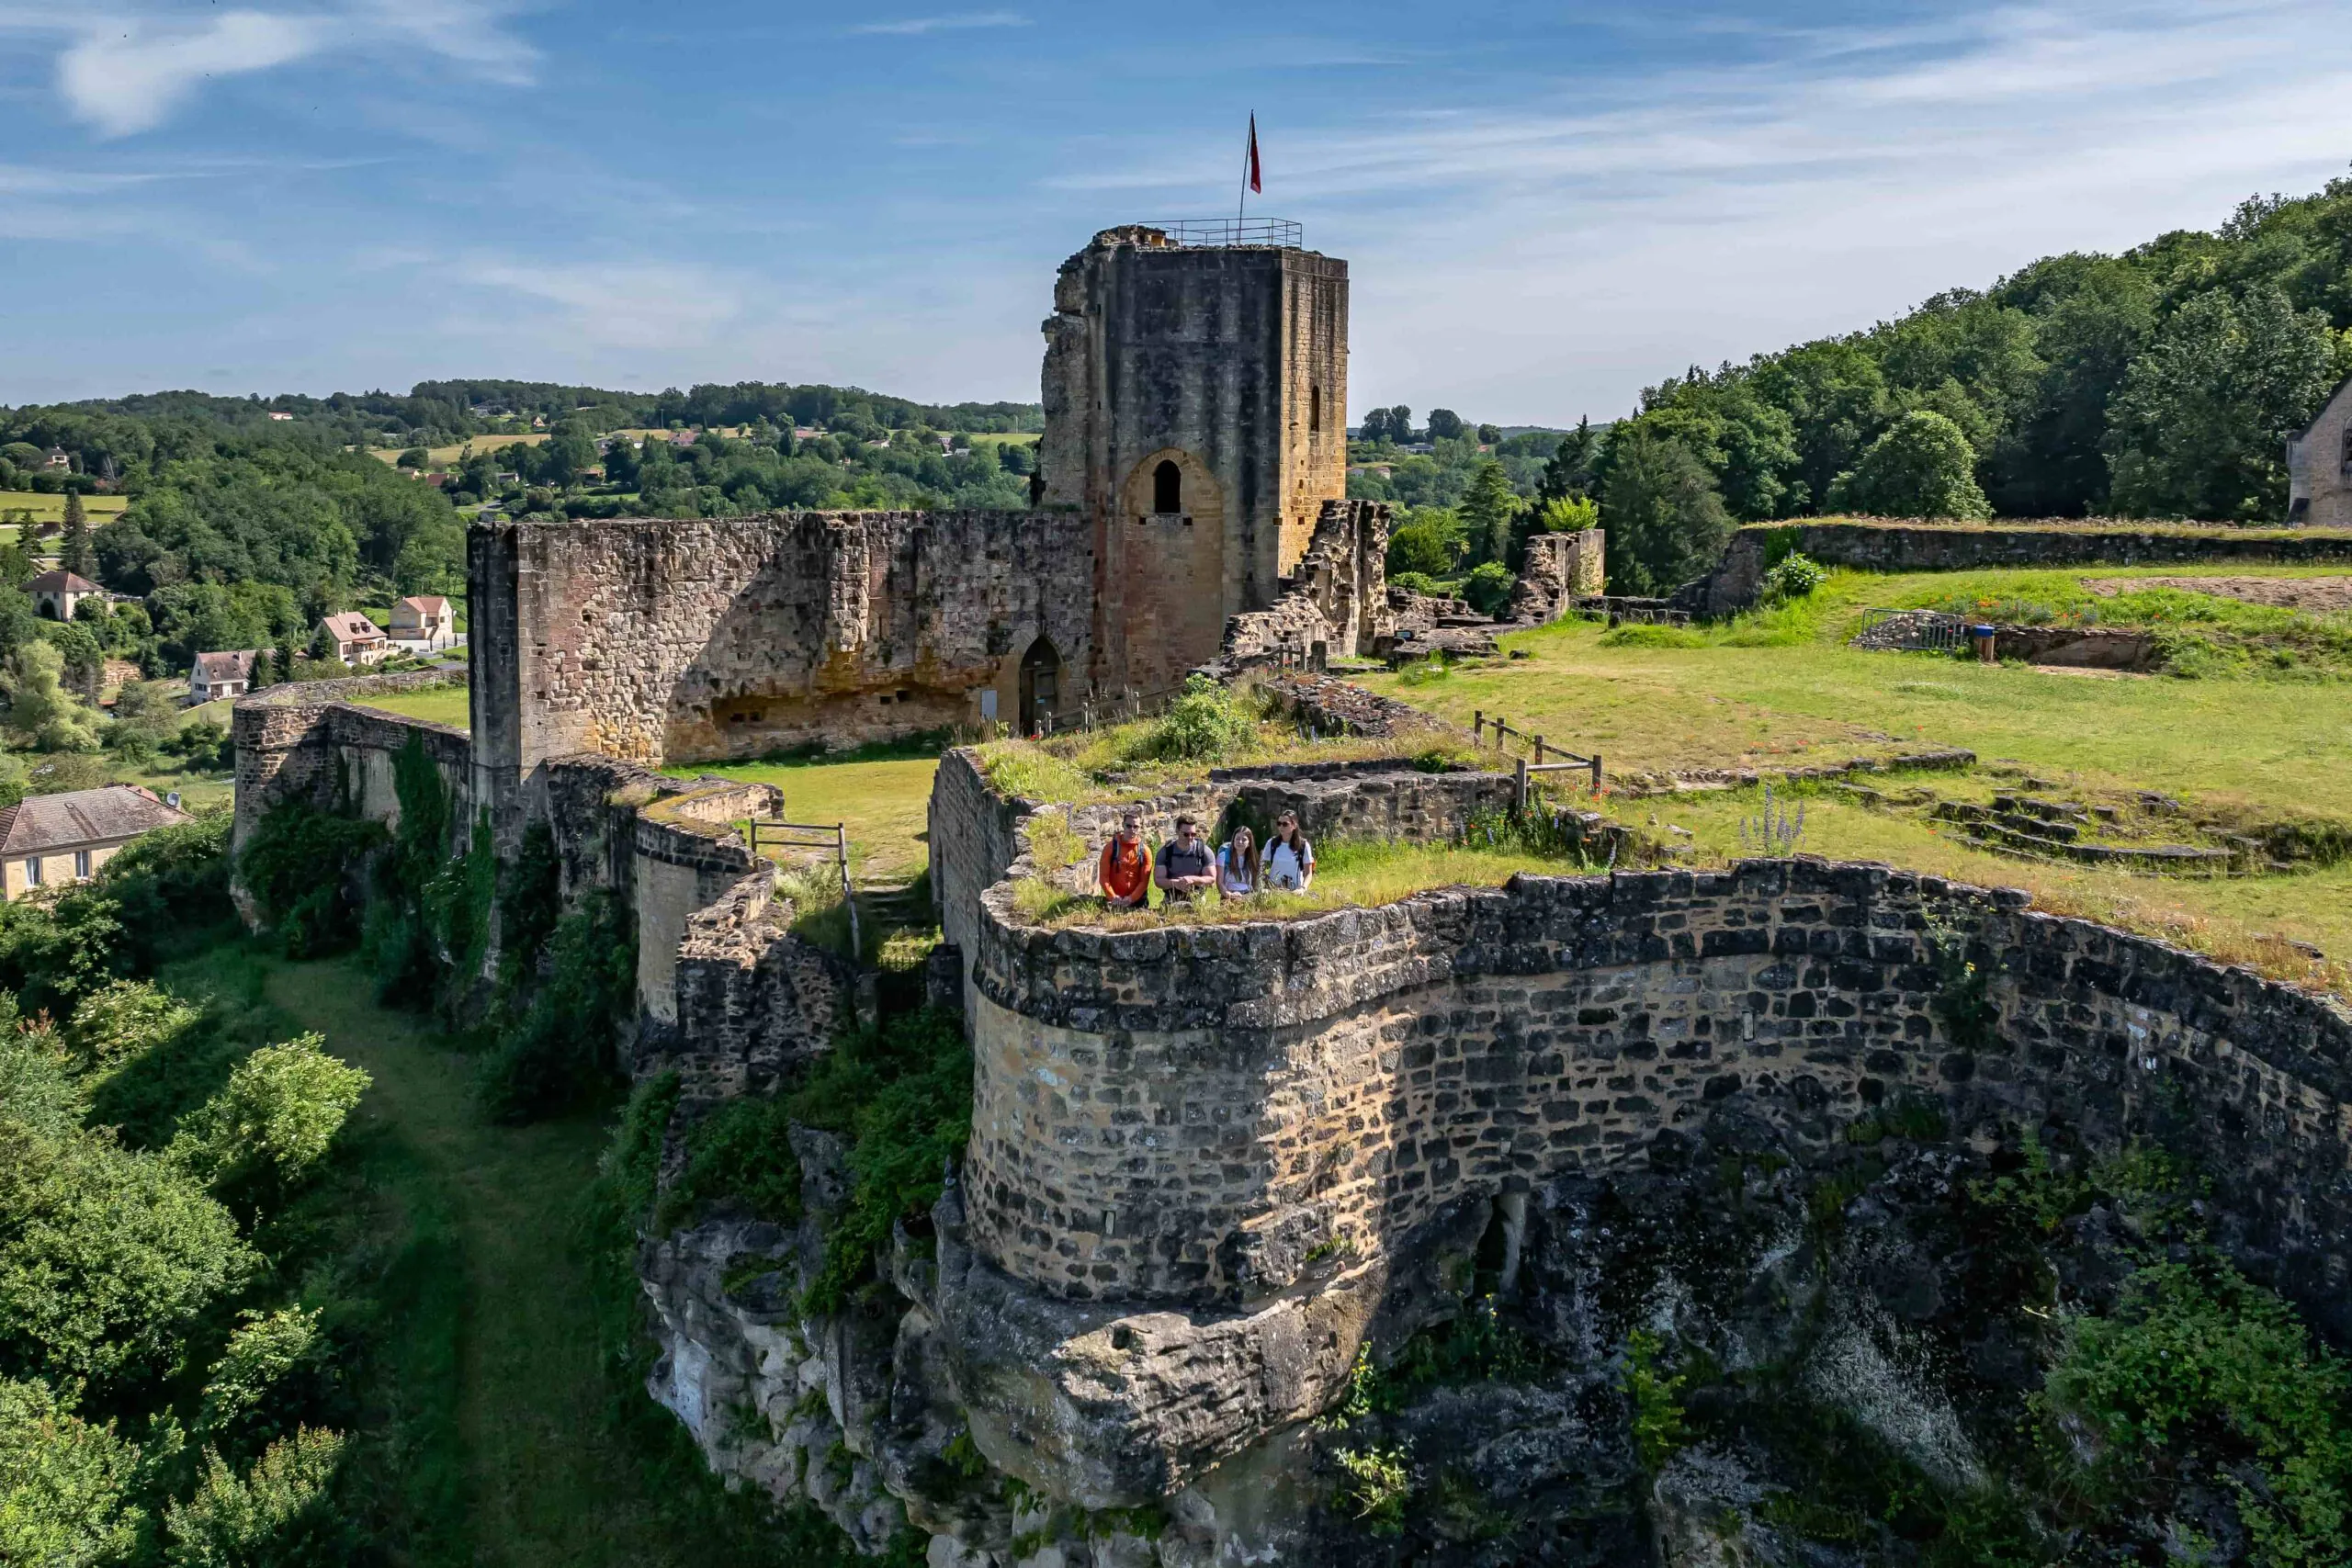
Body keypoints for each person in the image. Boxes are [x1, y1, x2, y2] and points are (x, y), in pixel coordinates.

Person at [1154, 814, 1216, 904]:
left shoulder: (1203, 851)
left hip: (1197, 897)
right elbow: (1158, 881)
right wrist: (1176, 883)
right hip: (1172, 896)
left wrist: (1193, 879)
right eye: (1186, 834)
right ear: (1177, 831)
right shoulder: (1165, 852)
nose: (1190, 838)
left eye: (1193, 834)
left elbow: (1211, 879)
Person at [1097, 812, 1151, 909]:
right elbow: (1103, 877)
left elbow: (1144, 882)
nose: (1132, 830)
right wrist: (1112, 897)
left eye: (1136, 827)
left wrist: (1131, 898)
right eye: (1129, 826)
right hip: (1115, 900)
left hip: (1137, 901)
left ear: (1140, 828)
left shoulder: (1145, 851)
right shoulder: (1110, 848)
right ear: (1123, 825)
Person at [1265, 811, 1314, 890]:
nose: (1281, 827)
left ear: (1294, 825)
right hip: (1273, 891)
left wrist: (1303, 889)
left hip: (1294, 891)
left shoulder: (1303, 845)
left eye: (1285, 824)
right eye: (1279, 823)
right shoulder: (1271, 843)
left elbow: (1308, 873)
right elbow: (1261, 867)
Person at [1217, 825, 1261, 897]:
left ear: (1249, 843)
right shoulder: (1223, 856)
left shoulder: (1252, 859)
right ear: (1233, 840)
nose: (1240, 842)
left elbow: (1255, 882)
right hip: (1228, 896)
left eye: (1244, 839)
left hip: (1247, 896)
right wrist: (1229, 895)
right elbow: (1219, 882)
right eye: (1237, 839)